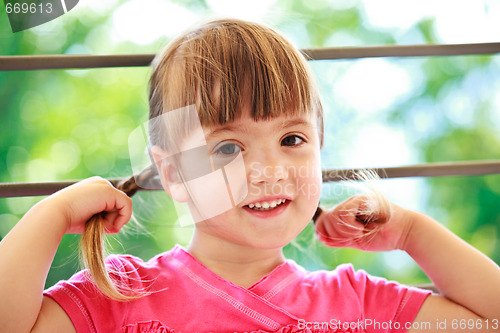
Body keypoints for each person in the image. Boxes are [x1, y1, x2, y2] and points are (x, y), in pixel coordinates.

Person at [0, 18, 499, 333]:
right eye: (226, 148)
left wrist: (413, 233)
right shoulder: (120, 296)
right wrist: (52, 214)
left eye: (291, 140)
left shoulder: (356, 303)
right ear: (173, 173)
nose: (268, 171)